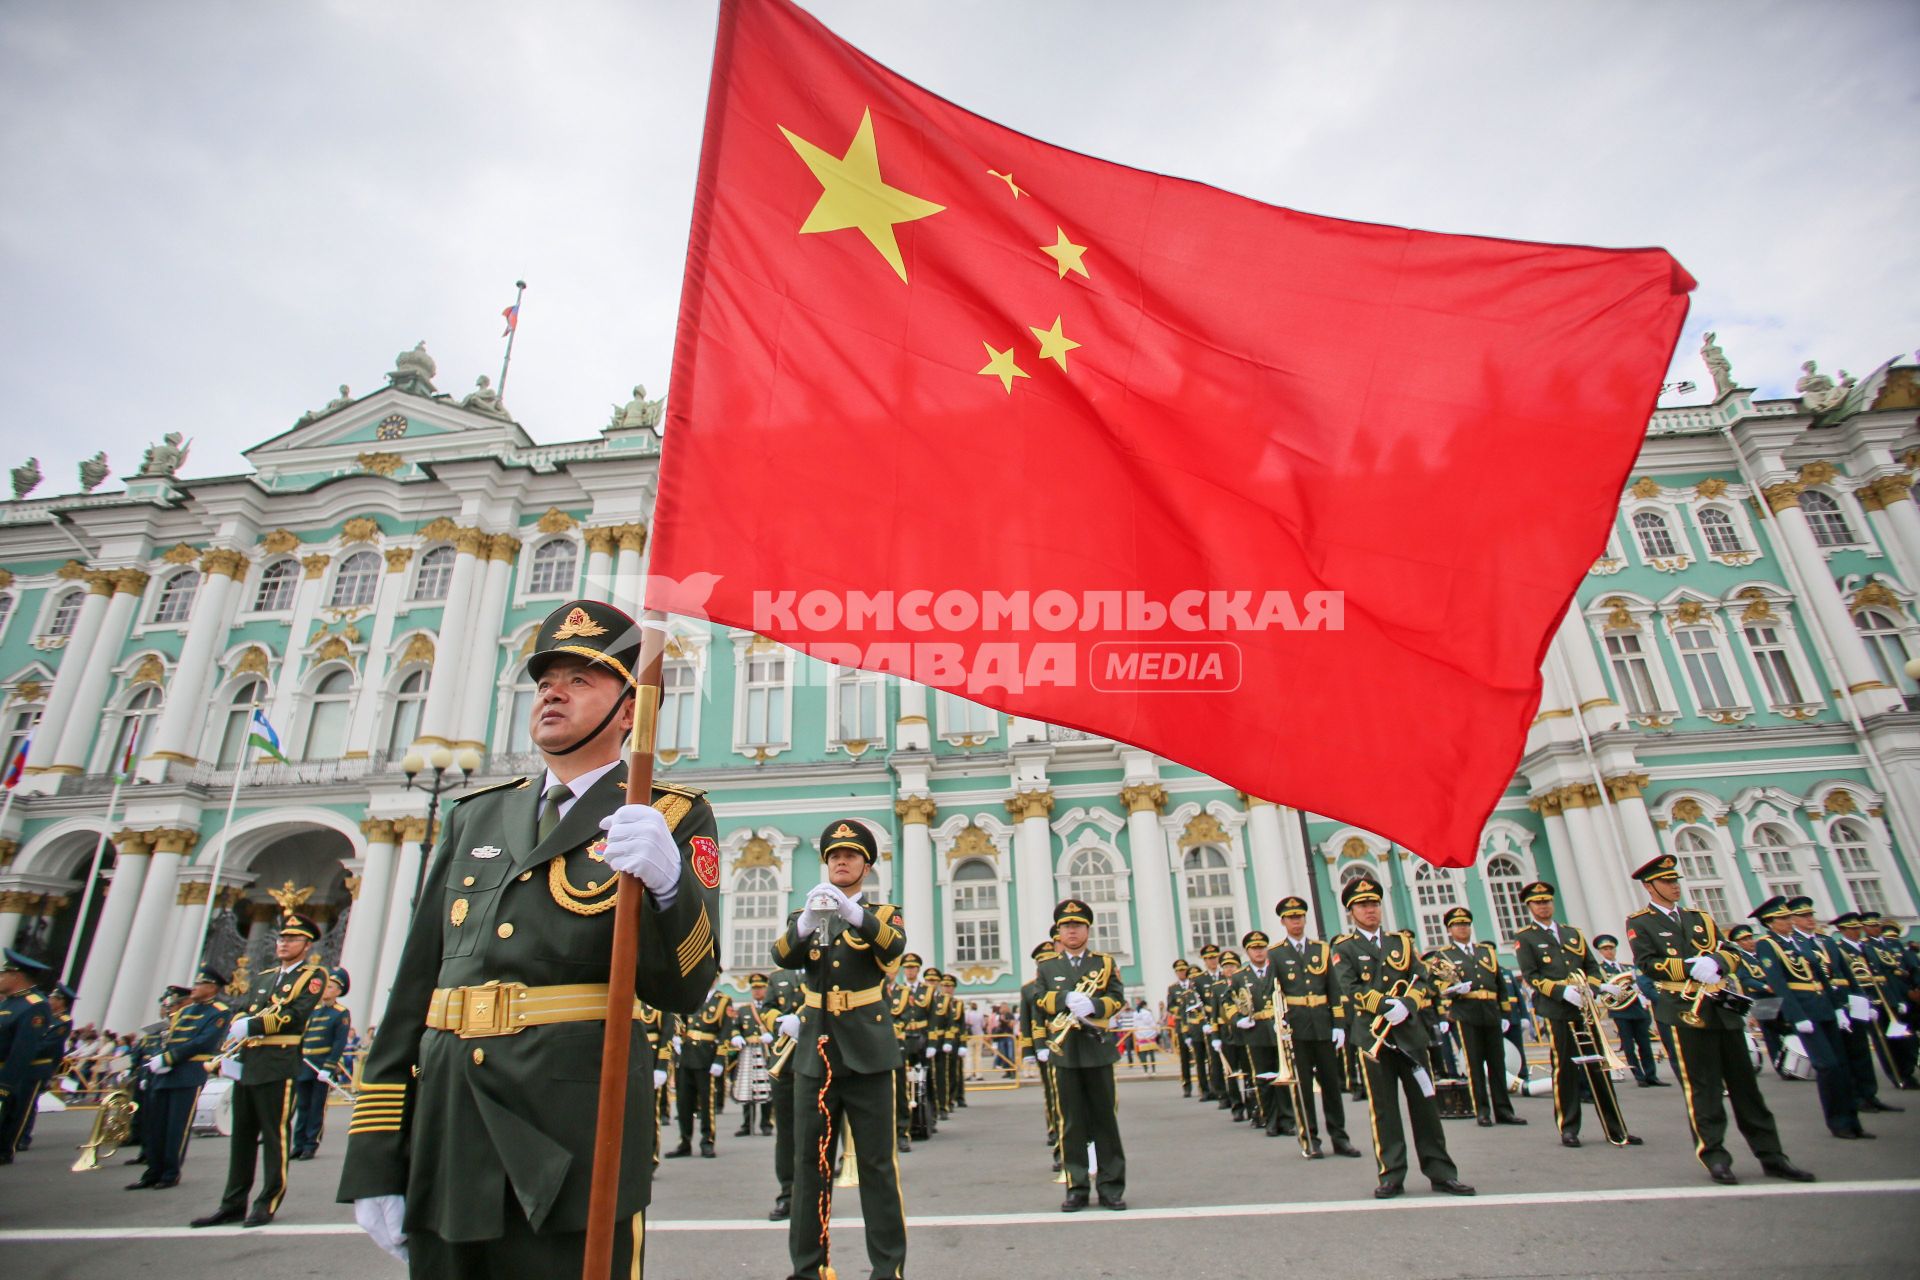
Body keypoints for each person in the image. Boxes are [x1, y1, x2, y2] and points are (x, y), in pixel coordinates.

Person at [336, 598, 723, 1276]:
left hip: (572, 1138)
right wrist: (376, 1152)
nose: (553, 691)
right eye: (546, 679)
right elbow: (414, 990)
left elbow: (684, 988)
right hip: (448, 1133)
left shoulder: (667, 815)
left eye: (581, 679)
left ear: (629, 710)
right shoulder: (475, 817)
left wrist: (668, 886)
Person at [772, 817, 907, 1280]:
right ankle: (809, 1267)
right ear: (826, 864)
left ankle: (887, 1269)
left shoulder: (884, 914)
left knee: (876, 1166)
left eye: (850, 856)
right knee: (810, 1166)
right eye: (834, 856)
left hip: (868, 1052)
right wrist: (809, 920)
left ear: (865, 867)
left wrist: (854, 915)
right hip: (816, 1053)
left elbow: (893, 949)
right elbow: (782, 955)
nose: (841, 861)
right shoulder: (805, 915)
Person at [1626, 859, 1813, 1184]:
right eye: (1666, 881)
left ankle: (1772, 1155)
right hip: (1686, 1010)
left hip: (1721, 1009)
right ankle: (1714, 1156)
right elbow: (1647, 963)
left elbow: (1729, 950)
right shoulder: (1641, 922)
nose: (1674, 885)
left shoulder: (1699, 918)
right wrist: (1686, 967)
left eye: (1675, 879)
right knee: (1704, 1088)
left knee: (1746, 1087)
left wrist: (1716, 962)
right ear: (1649, 886)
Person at [1330, 876, 1474, 1199]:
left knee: (1425, 1105)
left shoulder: (1402, 944)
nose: (1370, 910)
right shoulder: (1344, 948)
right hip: (1374, 1038)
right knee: (1384, 1109)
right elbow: (1349, 987)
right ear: (1351, 911)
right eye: (1363, 905)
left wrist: (1406, 1004)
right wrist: (1382, 1005)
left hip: (1410, 1034)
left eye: (1374, 904)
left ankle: (1441, 1171)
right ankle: (1392, 1174)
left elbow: (1423, 982)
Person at [189, 911, 329, 1228]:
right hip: (250, 1061)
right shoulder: (265, 977)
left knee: (275, 1135)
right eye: (281, 938)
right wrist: (232, 1051)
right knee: (242, 1136)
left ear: (306, 944)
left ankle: (268, 1200)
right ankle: (233, 1202)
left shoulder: (312, 977)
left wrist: (250, 1025)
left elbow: (295, 1014)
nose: (283, 944)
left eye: (292, 939)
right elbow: (245, 1013)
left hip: (278, 1063)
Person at [1512, 880, 1641, 1149]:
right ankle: (1569, 1127)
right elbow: (1532, 976)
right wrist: (1561, 992)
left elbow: (1591, 967)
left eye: (1546, 901)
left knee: (1600, 1068)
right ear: (1529, 907)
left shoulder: (1573, 934)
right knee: (1565, 1071)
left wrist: (1594, 986)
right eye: (1537, 903)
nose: (1543, 906)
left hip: (1586, 1009)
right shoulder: (1526, 938)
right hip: (1558, 1010)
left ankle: (1616, 1128)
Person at [1034, 898, 1128, 1211]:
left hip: (1097, 1049)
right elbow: (1040, 1000)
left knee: (1105, 1121)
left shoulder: (1104, 963)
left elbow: (1117, 999)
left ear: (1087, 929)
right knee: (1070, 1122)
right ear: (1058, 932)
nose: (1072, 931)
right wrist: (1065, 998)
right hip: (1066, 1053)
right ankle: (1076, 1185)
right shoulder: (1048, 966)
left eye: (1077, 926)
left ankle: (1111, 1186)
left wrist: (1095, 1006)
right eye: (1066, 926)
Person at [129, 966, 232, 1190]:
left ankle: (170, 1172)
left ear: (212, 987)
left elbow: (203, 1042)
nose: (193, 988)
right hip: (166, 1073)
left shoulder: (219, 1011)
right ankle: (152, 1171)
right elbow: (166, 1040)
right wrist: (155, 1065)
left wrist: (170, 1059)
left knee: (177, 1126)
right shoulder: (184, 1012)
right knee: (155, 1125)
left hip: (188, 1073)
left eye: (199, 984)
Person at [1270, 895, 1358, 1156]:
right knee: (1303, 1087)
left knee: (1332, 1084)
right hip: (1296, 1029)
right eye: (1291, 918)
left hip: (1323, 1024)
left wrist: (1339, 1024)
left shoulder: (1321, 950)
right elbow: (1273, 991)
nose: (1296, 922)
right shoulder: (1276, 953)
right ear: (1283, 922)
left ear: (1305, 919)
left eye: (1300, 917)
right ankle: (1310, 1138)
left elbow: (1334, 988)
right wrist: (1279, 1022)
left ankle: (1340, 1138)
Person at [1433, 906, 1525, 1128]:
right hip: (1467, 1012)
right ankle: (1482, 1110)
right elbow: (1436, 984)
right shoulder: (1444, 955)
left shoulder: (1486, 951)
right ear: (1449, 929)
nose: (1462, 928)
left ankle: (1504, 1110)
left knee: (1497, 1063)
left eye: (1465, 924)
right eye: (1457, 925)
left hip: (1491, 1012)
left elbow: (1500, 984)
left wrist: (1505, 1012)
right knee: (1474, 1065)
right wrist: (1454, 991)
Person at [1827, 912, 1903, 1111]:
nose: (1856, 931)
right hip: (1853, 1002)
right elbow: (1841, 978)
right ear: (1842, 930)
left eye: (1857, 928)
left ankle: (1870, 1094)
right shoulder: (1839, 949)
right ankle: (1859, 1096)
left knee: (1864, 1054)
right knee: (1856, 1050)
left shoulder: (1867, 947)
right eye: (1851, 929)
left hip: (1871, 999)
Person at [1229, 929, 1287, 1135]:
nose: (1259, 952)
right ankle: (1269, 1118)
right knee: (1263, 1078)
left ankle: (1287, 1119)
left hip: (1278, 1030)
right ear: (1247, 952)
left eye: (1262, 947)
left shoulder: (1277, 971)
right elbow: (1230, 1004)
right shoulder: (1239, 977)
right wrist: (1238, 1020)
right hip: (1257, 1032)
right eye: (1254, 948)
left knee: (1283, 1076)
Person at [0, 948, 54, 1163]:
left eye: (3, 974)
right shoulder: (8, 1002)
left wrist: (5, 1085)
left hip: (6, 1074)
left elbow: (22, 1050)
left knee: (5, 1127)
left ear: (16, 976)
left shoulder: (35, 1006)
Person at [293, 967, 352, 1160]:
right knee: (302, 1106)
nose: (326, 989)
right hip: (305, 1064)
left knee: (316, 1107)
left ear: (338, 991)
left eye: (331, 987)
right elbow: (303, 1036)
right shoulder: (313, 1010)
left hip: (321, 1066)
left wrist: (329, 1067)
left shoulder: (340, 1013)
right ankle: (298, 1143)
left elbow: (338, 1043)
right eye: (326, 986)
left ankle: (311, 1144)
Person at [669, 983, 733, 1157]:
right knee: (683, 1102)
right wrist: (676, 1039)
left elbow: (726, 1032)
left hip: (707, 1057)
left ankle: (707, 1140)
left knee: (707, 1103)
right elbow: (679, 1020)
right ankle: (684, 1140)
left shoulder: (723, 1001)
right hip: (687, 1055)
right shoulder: (691, 996)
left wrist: (720, 1059)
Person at [1594, 934, 1665, 1088]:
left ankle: (1651, 1075)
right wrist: (1606, 988)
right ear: (1600, 951)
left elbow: (1640, 983)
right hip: (1620, 1011)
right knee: (1628, 1045)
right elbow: (1597, 987)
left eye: (1611, 948)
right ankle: (1638, 1075)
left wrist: (1638, 988)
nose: (1609, 952)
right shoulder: (1599, 970)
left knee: (1645, 1043)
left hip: (1637, 1008)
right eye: (1605, 949)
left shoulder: (1628, 967)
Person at [763, 965, 805, 1219]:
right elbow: (767, 1008)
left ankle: (815, 1193)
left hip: (817, 1056)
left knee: (817, 1128)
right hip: (785, 1059)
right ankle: (788, 1193)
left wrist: (804, 1019)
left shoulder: (825, 962)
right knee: (786, 1131)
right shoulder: (779, 977)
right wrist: (781, 1022)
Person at [1017, 940, 1060, 1169]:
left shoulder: (1064, 983)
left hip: (1063, 1045)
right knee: (1051, 1092)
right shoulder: (1029, 989)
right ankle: (1054, 1130)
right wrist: (1030, 1049)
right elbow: (1026, 1020)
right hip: (1044, 1047)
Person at [729, 972, 776, 1138]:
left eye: (760, 988)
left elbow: (776, 1027)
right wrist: (736, 1036)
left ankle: (766, 1123)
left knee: (764, 1087)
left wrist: (771, 1036)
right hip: (748, 1051)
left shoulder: (770, 1008)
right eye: (754, 988)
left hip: (764, 1052)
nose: (757, 991)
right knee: (746, 1087)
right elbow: (736, 1026)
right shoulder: (744, 1010)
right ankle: (747, 1123)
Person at [1166, 960, 1196, 1095]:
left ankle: (1205, 1085)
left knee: (1200, 1056)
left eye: (1184, 970)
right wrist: (1181, 1010)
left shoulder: (1194, 984)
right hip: (1181, 1026)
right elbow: (1170, 1006)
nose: (1181, 973)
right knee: (1184, 1058)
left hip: (1196, 1024)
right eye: (1179, 971)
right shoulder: (1173, 988)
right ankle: (1187, 1085)